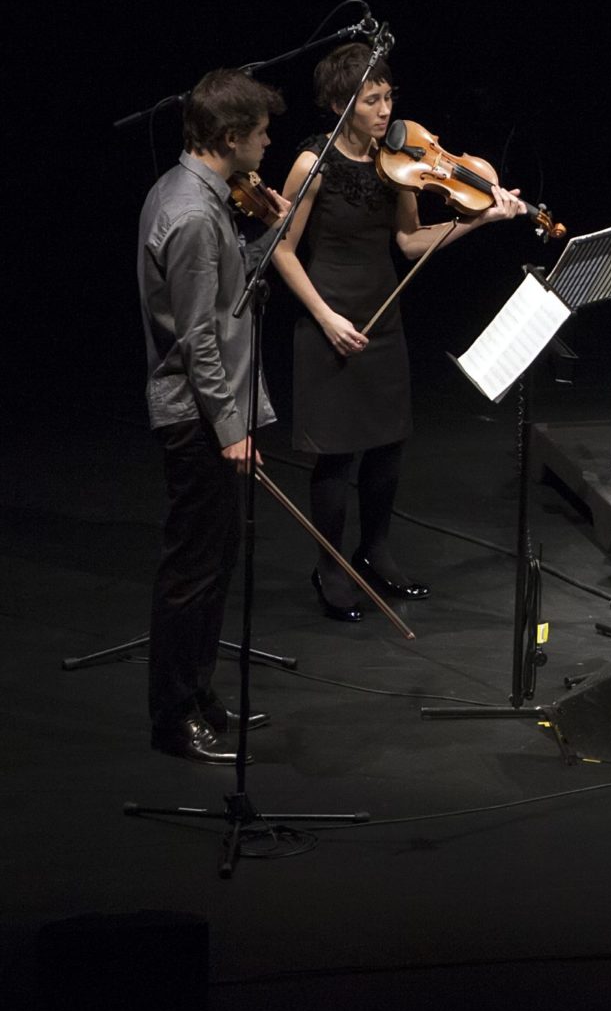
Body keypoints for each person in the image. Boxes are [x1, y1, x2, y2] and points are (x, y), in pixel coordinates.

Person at [273, 44, 525, 620]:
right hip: (331, 316)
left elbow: (409, 242)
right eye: (372, 100)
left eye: (389, 97)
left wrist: (477, 219)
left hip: (383, 315)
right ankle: (329, 565)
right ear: (341, 105)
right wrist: (325, 317)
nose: (386, 110)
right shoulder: (312, 163)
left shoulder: (400, 161)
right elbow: (281, 249)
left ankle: (375, 550)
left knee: (388, 446)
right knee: (336, 455)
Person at [137, 69, 290, 763]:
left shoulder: (201, 197)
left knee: (216, 564)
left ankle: (199, 695)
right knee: (192, 573)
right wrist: (231, 432)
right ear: (230, 138)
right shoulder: (194, 215)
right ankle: (173, 717)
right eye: (260, 133)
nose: (267, 143)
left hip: (215, 407)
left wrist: (274, 224)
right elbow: (199, 339)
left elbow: (236, 294)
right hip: (199, 416)